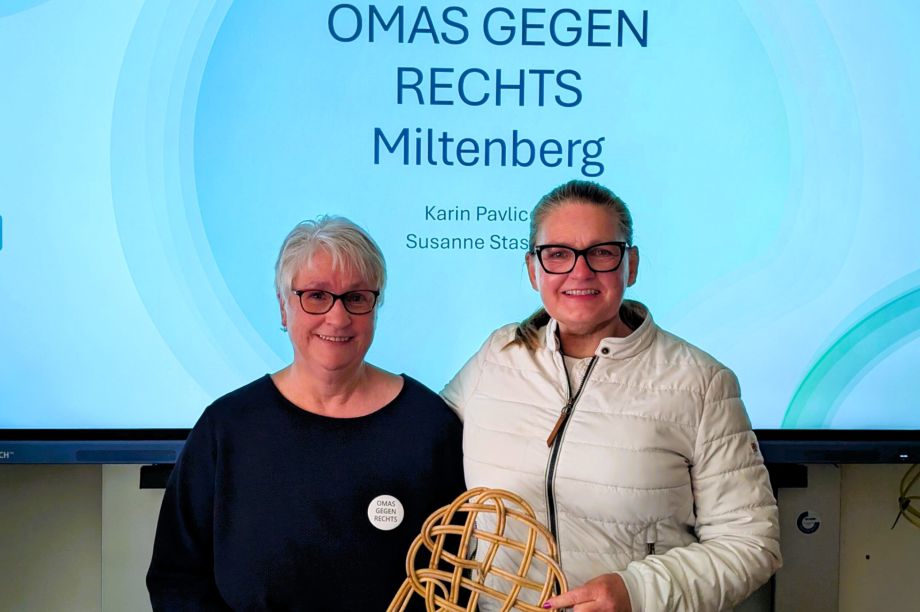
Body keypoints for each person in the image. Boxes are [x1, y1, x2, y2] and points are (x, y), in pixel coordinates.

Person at [442, 180, 781, 612]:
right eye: (558, 254)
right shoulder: (497, 355)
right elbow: (412, 441)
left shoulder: (701, 383)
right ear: (533, 269)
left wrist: (637, 592)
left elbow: (750, 543)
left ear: (630, 264)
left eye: (601, 252)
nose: (579, 272)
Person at [147, 216, 465, 610]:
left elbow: (458, 576)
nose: (338, 317)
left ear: (375, 306)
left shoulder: (428, 425)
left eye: (356, 297)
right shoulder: (227, 428)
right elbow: (176, 578)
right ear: (284, 307)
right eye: (316, 296)